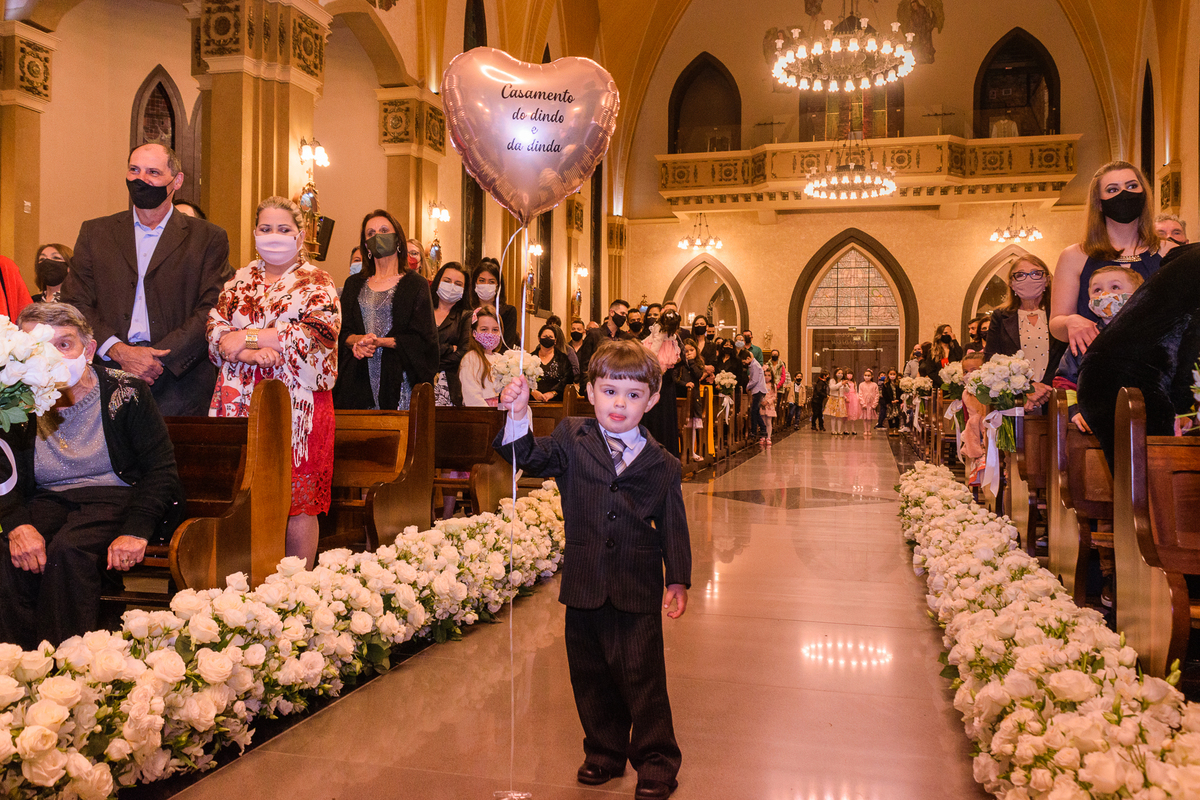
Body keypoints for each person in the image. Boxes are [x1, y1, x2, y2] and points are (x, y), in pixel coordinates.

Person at [494, 341, 691, 800]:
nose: (620, 403)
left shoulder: (663, 464)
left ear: (653, 399)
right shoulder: (570, 437)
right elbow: (527, 457)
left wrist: (677, 577)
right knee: (590, 674)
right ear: (590, 391)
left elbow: (675, 527)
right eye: (609, 391)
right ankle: (603, 751)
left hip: (637, 585)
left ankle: (657, 760)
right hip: (584, 581)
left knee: (642, 677)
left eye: (633, 395)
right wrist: (519, 413)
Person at [0, 303, 183, 648]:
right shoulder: (14, 398)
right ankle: (17, 666)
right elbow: (2, 471)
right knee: (8, 551)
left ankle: (70, 665)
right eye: (37, 348)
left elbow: (160, 469)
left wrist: (136, 531)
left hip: (114, 496)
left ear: (88, 349)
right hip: (49, 497)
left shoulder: (127, 391)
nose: (51, 357)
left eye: (63, 344)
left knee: (69, 551)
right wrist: (17, 525)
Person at [208, 196, 340, 567]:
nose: (274, 236)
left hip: (297, 407)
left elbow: (318, 333)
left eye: (284, 229)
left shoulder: (317, 281)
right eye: (266, 229)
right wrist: (249, 353)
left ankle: (295, 588)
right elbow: (216, 328)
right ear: (254, 234)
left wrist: (247, 338)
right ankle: (249, 581)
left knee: (296, 500)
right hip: (240, 398)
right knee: (245, 493)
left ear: (299, 238)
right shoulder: (238, 280)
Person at [61, 140, 231, 416]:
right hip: (107, 375)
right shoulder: (96, 232)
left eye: (153, 172)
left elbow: (212, 307)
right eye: (134, 170)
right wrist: (118, 350)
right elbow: (75, 301)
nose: (141, 179)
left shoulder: (208, 238)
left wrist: (156, 358)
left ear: (176, 181)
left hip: (179, 384)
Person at [1077, 245, 1200, 471]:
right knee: (1152, 478)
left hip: (1107, 377)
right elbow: (1187, 347)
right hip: (1128, 380)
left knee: (1138, 482)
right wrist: (1182, 406)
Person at [1050, 160, 1167, 358]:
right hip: (1095, 363)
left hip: (1156, 366)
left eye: (1131, 186)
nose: (1124, 194)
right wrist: (1070, 322)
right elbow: (1056, 323)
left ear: (1144, 194)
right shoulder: (1075, 256)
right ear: (1099, 202)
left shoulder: (1168, 251)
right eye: (1113, 189)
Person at [334, 209, 437, 411]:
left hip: (399, 380)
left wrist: (381, 342)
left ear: (398, 239)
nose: (377, 236)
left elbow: (425, 340)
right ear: (366, 245)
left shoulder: (415, 284)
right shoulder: (354, 284)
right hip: (357, 380)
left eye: (383, 230)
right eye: (370, 233)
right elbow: (339, 331)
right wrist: (356, 340)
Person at [1055, 265, 1144, 433]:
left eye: (1115, 287)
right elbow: (1064, 383)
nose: (1104, 295)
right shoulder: (1083, 340)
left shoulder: (1151, 336)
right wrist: (1074, 412)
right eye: (1097, 290)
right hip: (1093, 427)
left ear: (1137, 293)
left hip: (1143, 424)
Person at [983, 254, 1065, 410]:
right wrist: (1030, 388)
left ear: (1047, 280)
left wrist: (1044, 390)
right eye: (1020, 275)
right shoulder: (1000, 316)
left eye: (1035, 273)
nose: (1028, 279)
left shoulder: (1059, 314)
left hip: (1055, 396)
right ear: (1011, 284)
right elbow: (991, 359)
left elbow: (1066, 357)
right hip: (1016, 399)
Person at [641, 309, 683, 458]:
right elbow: (655, 346)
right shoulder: (660, 329)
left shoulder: (669, 331)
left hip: (662, 371)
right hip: (657, 361)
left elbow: (671, 344)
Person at [431, 262, 471, 406]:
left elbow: (463, 352)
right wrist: (448, 348)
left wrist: (429, 362)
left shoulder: (465, 316)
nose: (452, 286)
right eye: (447, 281)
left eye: (458, 283)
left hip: (449, 385)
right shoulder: (423, 310)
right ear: (438, 281)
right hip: (417, 380)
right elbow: (414, 346)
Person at [577, 299, 634, 388]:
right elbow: (585, 365)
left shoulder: (626, 338)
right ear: (612, 312)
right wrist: (588, 387)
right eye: (622, 314)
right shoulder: (594, 335)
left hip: (620, 385)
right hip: (597, 384)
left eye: (626, 315)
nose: (624, 317)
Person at [460, 307, 506, 407]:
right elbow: (471, 395)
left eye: (495, 330)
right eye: (484, 329)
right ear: (474, 333)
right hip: (483, 413)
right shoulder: (471, 358)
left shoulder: (501, 358)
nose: (490, 334)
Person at [677, 338, 706, 460]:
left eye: (691, 350)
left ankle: (692, 451)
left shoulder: (697, 364)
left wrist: (692, 362)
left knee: (692, 425)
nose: (688, 353)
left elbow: (698, 375)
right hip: (681, 398)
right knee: (682, 425)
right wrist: (685, 384)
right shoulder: (679, 365)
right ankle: (682, 451)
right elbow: (675, 380)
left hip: (693, 398)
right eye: (686, 351)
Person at [531, 323, 571, 402]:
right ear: (539, 339)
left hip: (556, 402)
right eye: (545, 337)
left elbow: (567, 379)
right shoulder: (530, 358)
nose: (547, 339)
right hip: (533, 401)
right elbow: (524, 379)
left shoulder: (563, 359)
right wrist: (533, 392)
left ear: (555, 341)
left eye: (550, 337)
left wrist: (553, 393)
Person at [741, 348, 767, 439]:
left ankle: (754, 431)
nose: (744, 364)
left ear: (748, 358)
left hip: (758, 390)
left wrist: (748, 386)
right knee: (755, 411)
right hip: (757, 390)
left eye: (744, 361)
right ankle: (762, 429)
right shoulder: (752, 365)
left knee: (753, 411)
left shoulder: (755, 365)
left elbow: (755, 380)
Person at [824, 367, 848, 436]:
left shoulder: (843, 381)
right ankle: (833, 430)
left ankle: (839, 430)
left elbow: (847, 391)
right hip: (834, 399)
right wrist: (841, 384)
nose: (840, 374)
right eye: (839, 373)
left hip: (840, 399)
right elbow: (832, 387)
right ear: (836, 374)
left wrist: (845, 385)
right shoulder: (832, 380)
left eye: (841, 373)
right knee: (833, 416)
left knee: (840, 416)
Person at [857, 369, 880, 436]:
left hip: (871, 403)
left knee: (870, 418)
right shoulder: (861, 384)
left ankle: (869, 430)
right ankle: (865, 430)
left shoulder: (874, 385)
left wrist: (874, 404)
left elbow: (877, 394)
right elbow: (860, 394)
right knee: (865, 417)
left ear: (872, 376)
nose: (867, 377)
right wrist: (862, 403)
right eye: (866, 375)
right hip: (864, 403)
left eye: (869, 375)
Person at [760, 363, 778, 445]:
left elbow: (774, 396)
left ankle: (769, 437)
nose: (767, 377)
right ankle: (763, 436)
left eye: (769, 375)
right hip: (762, 405)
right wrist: (761, 401)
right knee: (762, 422)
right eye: (765, 375)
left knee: (768, 422)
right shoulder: (760, 384)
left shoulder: (773, 385)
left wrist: (768, 401)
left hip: (769, 405)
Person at [882, 369, 902, 434]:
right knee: (890, 416)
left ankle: (896, 429)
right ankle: (890, 429)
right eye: (891, 374)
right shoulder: (886, 384)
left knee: (897, 416)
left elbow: (901, 392)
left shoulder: (899, 383)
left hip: (897, 402)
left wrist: (898, 400)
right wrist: (890, 401)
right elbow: (884, 394)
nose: (892, 376)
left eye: (894, 374)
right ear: (888, 375)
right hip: (890, 402)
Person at [843, 369, 861, 436]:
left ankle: (853, 429)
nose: (850, 375)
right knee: (846, 415)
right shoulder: (844, 382)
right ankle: (845, 429)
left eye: (851, 374)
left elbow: (855, 390)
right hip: (847, 398)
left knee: (853, 414)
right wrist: (845, 397)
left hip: (853, 399)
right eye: (848, 374)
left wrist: (857, 398)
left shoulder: (854, 382)